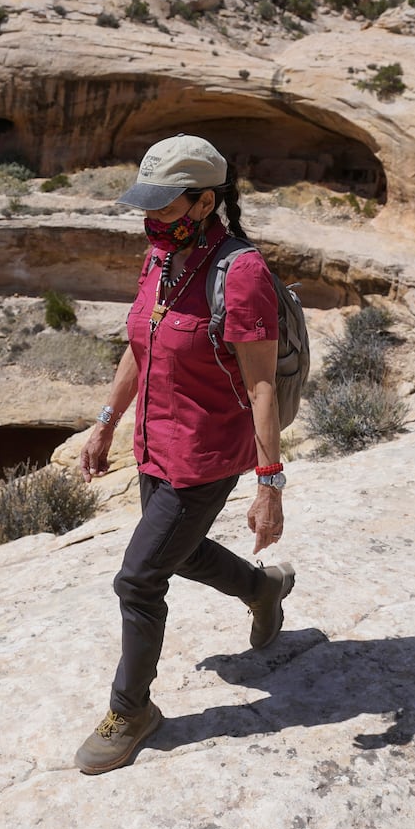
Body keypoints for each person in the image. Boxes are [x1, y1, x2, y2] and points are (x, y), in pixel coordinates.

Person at [75, 134, 294, 776]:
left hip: (207, 453)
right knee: (184, 550)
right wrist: (106, 422)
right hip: (154, 443)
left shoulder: (241, 271)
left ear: (204, 201)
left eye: (165, 205)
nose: (152, 218)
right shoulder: (160, 257)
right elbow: (140, 346)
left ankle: (132, 710)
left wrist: (269, 483)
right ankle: (263, 591)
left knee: (139, 577)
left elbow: (259, 384)